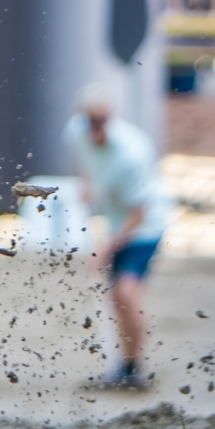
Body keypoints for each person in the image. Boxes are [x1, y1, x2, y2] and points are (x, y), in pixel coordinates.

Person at [66, 83, 172, 392]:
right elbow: (82, 158)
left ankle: (134, 370)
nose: (93, 128)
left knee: (126, 293)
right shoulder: (75, 132)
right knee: (116, 298)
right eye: (89, 120)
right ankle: (123, 366)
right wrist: (87, 183)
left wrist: (106, 249)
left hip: (145, 226)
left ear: (111, 117)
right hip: (115, 222)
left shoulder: (132, 153)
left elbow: (139, 213)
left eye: (100, 120)